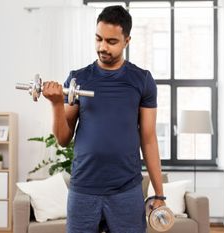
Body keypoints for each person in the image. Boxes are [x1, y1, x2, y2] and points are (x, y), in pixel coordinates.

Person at [42, 5, 165, 233]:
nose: (102, 47)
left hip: (126, 191)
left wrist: (159, 193)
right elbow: (62, 139)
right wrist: (57, 104)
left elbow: (148, 140)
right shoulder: (78, 78)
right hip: (83, 190)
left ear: (127, 41)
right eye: (98, 39)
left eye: (111, 41)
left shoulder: (142, 80)